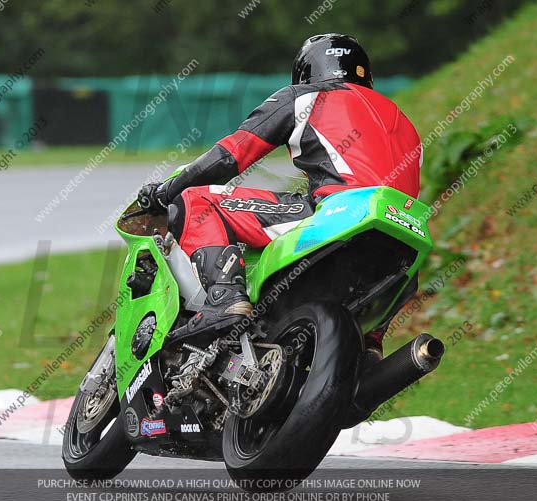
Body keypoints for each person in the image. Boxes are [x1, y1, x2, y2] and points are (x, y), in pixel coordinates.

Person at [137, 33, 422, 354]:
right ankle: (369, 346)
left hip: (340, 215)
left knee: (198, 200)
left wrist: (166, 190)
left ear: (305, 74)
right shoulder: (404, 123)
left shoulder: (306, 96)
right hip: (404, 246)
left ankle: (224, 299)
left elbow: (230, 156)